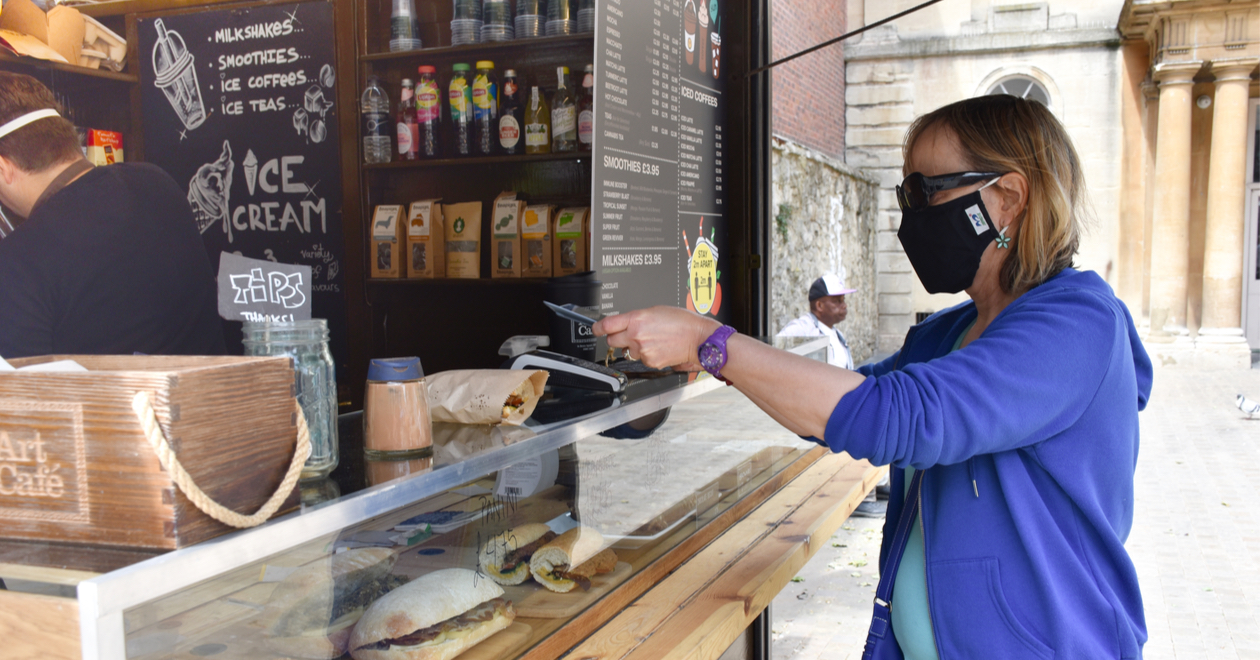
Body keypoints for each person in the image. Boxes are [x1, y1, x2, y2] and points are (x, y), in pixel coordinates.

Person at [594, 94, 1151, 658]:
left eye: (926, 192)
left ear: (1006, 199)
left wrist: (709, 341)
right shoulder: (946, 333)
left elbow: (893, 417)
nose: (912, 216)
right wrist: (707, 358)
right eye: (905, 194)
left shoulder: (1078, 323)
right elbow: (837, 411)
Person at [0, 72, 225, 358]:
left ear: (4, 167)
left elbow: (20, 394)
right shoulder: (158, 184)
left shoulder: (19, 259)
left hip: (120, 404)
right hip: (218, 398)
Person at [777, 272, 855, 369]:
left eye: (843, 300)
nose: (844, 305)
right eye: (837, 301)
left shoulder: (838, 335)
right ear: (819, 306)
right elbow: (772, 354)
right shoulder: (803, 328)